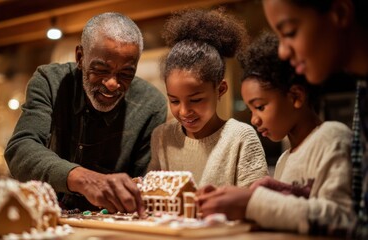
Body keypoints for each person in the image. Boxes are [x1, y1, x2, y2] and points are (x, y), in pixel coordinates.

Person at [5, 12, 168, 215]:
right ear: (80, 57)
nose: (112, 84)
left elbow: (144, 184)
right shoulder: (50, 81)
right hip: (39, 218)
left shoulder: (152, 105)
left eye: (126, 74)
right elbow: (20, 148)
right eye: (100, 69)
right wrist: (82, 179)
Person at [196, 32, 354, 234]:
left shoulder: (333, 138)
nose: (254, 120)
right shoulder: (284, 160)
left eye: (260, 107)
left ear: (295, 96)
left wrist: (252, 203)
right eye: (251, 110)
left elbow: (342, 219)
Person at [261, 0, 368, 237]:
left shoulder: (332, 136)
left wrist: (255, 204)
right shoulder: (363, 89)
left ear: (339, 13)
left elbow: (347, 221)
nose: (282, 51)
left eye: (290, 32)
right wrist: (287, 191)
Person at [147, 8, 268, 187]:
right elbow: (153, 193)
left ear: (220, 90)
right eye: (174, 100)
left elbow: (255, 202)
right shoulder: (162, 137)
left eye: (195, 100)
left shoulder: (240, 137)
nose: (184, 111)